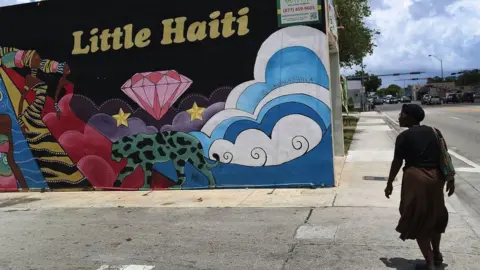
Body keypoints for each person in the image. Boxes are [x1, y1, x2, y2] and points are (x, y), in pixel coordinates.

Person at [384, 104, 455, 270]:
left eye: (401, 114)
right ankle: (436, 253)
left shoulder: (404, 137)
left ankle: (429, 262)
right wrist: (450, 179)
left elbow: (397, 162)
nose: (399, 117)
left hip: (415, 178)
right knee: (434, 216)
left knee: (418, 219)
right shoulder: (434, 131)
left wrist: (389, 183)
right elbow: (444, 156)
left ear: (410, 116)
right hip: (436, 178)